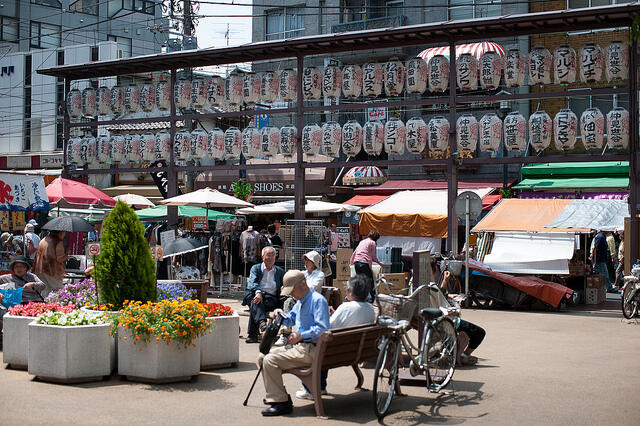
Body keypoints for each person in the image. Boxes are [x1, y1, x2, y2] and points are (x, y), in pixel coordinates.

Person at [259, 270, 330, 416]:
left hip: (311, 350)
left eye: (292, 290)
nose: (291, 294)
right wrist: (280, 315)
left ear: (303, 284)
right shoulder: (301, 301)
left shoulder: (317, 300)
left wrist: (300, 335)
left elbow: (323, 330)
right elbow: (291, 318)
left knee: (269, 360)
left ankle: (280, 402)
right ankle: (280, 397)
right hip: (303, 348)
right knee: (262, 357)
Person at [295, 275, 376, 400]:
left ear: (351, 292)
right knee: (326, 346)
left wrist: (327, 315)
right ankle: (320, 387)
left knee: (316, 343)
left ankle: (311, 389)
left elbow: (327, 328)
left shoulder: (345, 307)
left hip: (335, 353)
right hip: (356, 352)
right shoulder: (371, 309)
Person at [275, 250, 326, 346]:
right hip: (299, 300)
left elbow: (311, 287)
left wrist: (296, 287)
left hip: (309, 302)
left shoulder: (319, 275)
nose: (306, 263)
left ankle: (285, 335)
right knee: (287, 302)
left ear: (314, 263)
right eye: (305, 260)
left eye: (308, 261)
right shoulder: (303, 273)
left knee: (289, 302)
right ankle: (285, 334)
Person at [242, 246, 285, 343]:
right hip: (257, 295)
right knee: (256, 300)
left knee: (256, 304)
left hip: (272, 299)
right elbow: (252, 283)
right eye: (268, 255)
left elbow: (285, 284)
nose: (270, 258)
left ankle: (253, 334)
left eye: (273, 255)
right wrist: (258, 292)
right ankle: (262, 322)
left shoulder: (280, 271)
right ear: (262, 257)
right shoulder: (256, 268)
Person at [0, 256, 46, 335]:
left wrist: (33, 284)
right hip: (16, 304)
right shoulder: (6, 278)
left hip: (33, 303)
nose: (19, 269)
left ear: (26, 268)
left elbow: (43, 285)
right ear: (13, 268)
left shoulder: (31, 276)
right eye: (16, 266)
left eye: (21, 266)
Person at [33, 230, 68, 297]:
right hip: (51, 270)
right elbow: (59, 258)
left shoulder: (44, 239)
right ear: (61, 232)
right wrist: (66, 255)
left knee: (45, 289)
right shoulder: (57, 241)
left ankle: (44, 305)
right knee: (59, 289)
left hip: (39, 269)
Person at [349, 230, 382, 301]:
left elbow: (355, 252)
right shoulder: (372, 243)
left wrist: (351, 261)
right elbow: (373, 257)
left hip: (357, 263)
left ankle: (359, 298)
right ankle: (373, 299)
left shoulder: (362, 241)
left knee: (360, 281)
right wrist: (380, 263)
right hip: (364, 263)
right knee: (370, 281)